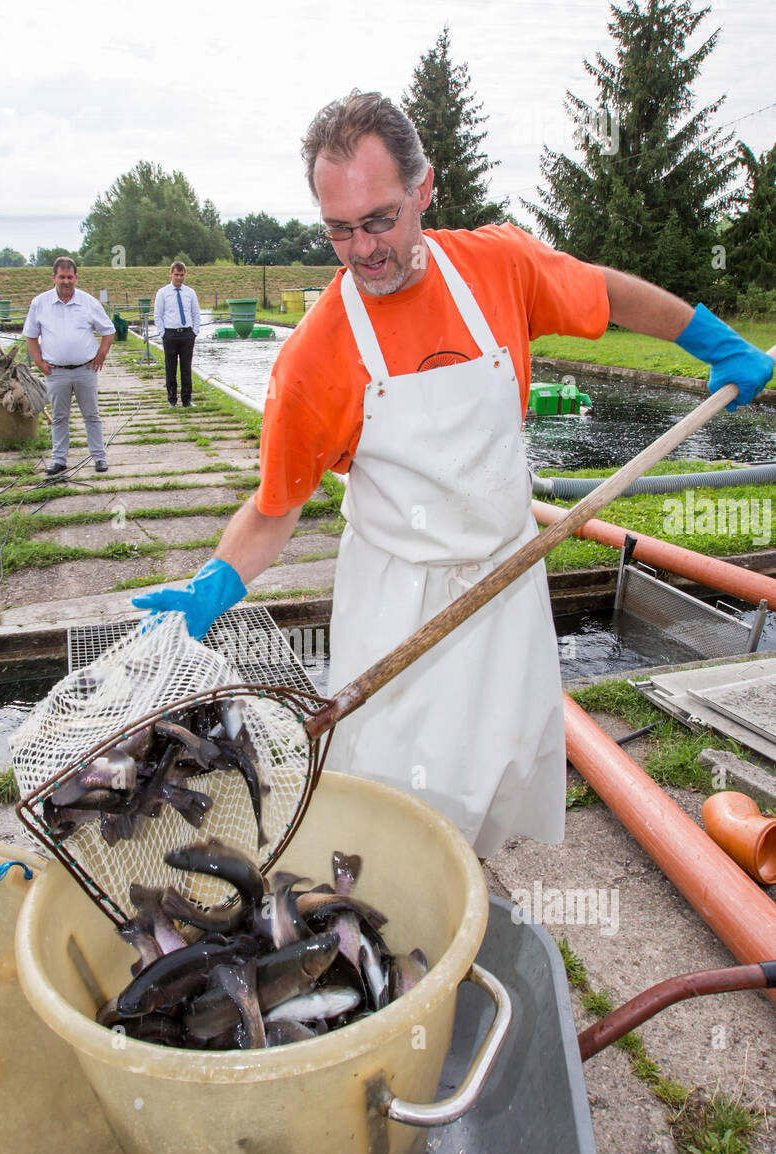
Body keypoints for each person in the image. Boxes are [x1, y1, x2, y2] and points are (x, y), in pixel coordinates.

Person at [132, 91, 774, 858]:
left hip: (507, 580)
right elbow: (276, 508)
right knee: (394, 802)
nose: (362, 248)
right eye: (339, 229)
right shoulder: (313, 357)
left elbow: (604, 292)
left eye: (380, 220)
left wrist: (710, 338)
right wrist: (217, 584)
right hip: (398, 603)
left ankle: (468, 901)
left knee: (496, 777)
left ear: (423, 189)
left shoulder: (496, 267)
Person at [23, 257, 115, 474]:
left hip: (86, 370)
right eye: (62, 277)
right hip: (56, 372)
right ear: (54, 277)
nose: (66, 281)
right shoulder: (40, 303)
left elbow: (108, 330)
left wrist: (101, 354)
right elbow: (30, 336)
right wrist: (39, 362)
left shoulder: (89, 302)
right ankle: (59, 460)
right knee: (59, 417)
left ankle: (99, 458)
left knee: (91, 415)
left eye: (70, 277)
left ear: (76, 278)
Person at [154, 261, 202, 406]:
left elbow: (195, 313)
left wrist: (194, 331)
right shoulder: (163, 293)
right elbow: (158, 314)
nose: (179, 278)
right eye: (176, 275)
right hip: (170, 334)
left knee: (186, 368)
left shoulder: (190, 293)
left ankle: (187, 399)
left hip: (187, 334)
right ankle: (172, 399)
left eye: (182, 275)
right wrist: (163, 333)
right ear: (171, 274)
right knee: (171, 368)